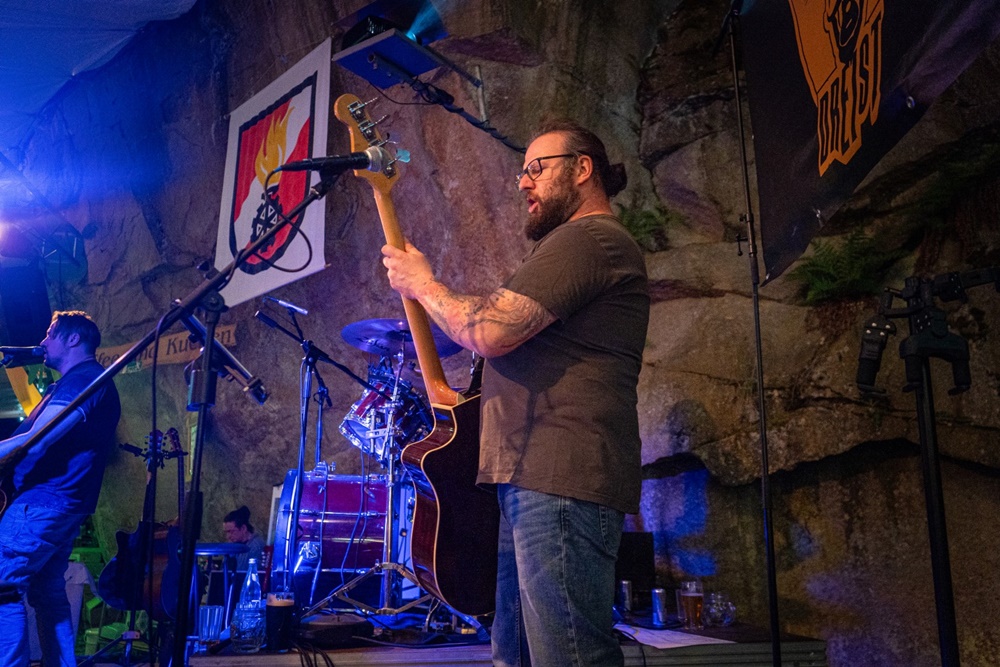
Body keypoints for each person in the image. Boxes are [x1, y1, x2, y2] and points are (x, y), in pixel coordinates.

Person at [382, 120, 649, 666]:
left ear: (583, 169)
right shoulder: (572, 245)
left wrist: (423, 284)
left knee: (567, 657)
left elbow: (489, 330)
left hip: (560, 481)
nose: (523, 182)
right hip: (533, 483)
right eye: (522, 171)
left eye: (537, 169)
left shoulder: (589, 239)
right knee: (519, 656)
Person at [0, 311, 122, 667]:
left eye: (50, 334)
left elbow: (37, 439)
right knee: (48, 593)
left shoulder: (83, 379)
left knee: (3, 587)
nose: (42, 342)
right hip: (61, 504)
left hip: (42, 502)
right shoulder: (78, 381)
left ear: (73, 339)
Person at [223, 505, 265, 571]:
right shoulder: (233, 545)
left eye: (231, 532)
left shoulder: (256, 547)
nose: (228, 536)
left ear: (243, 528)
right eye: (226, 532)